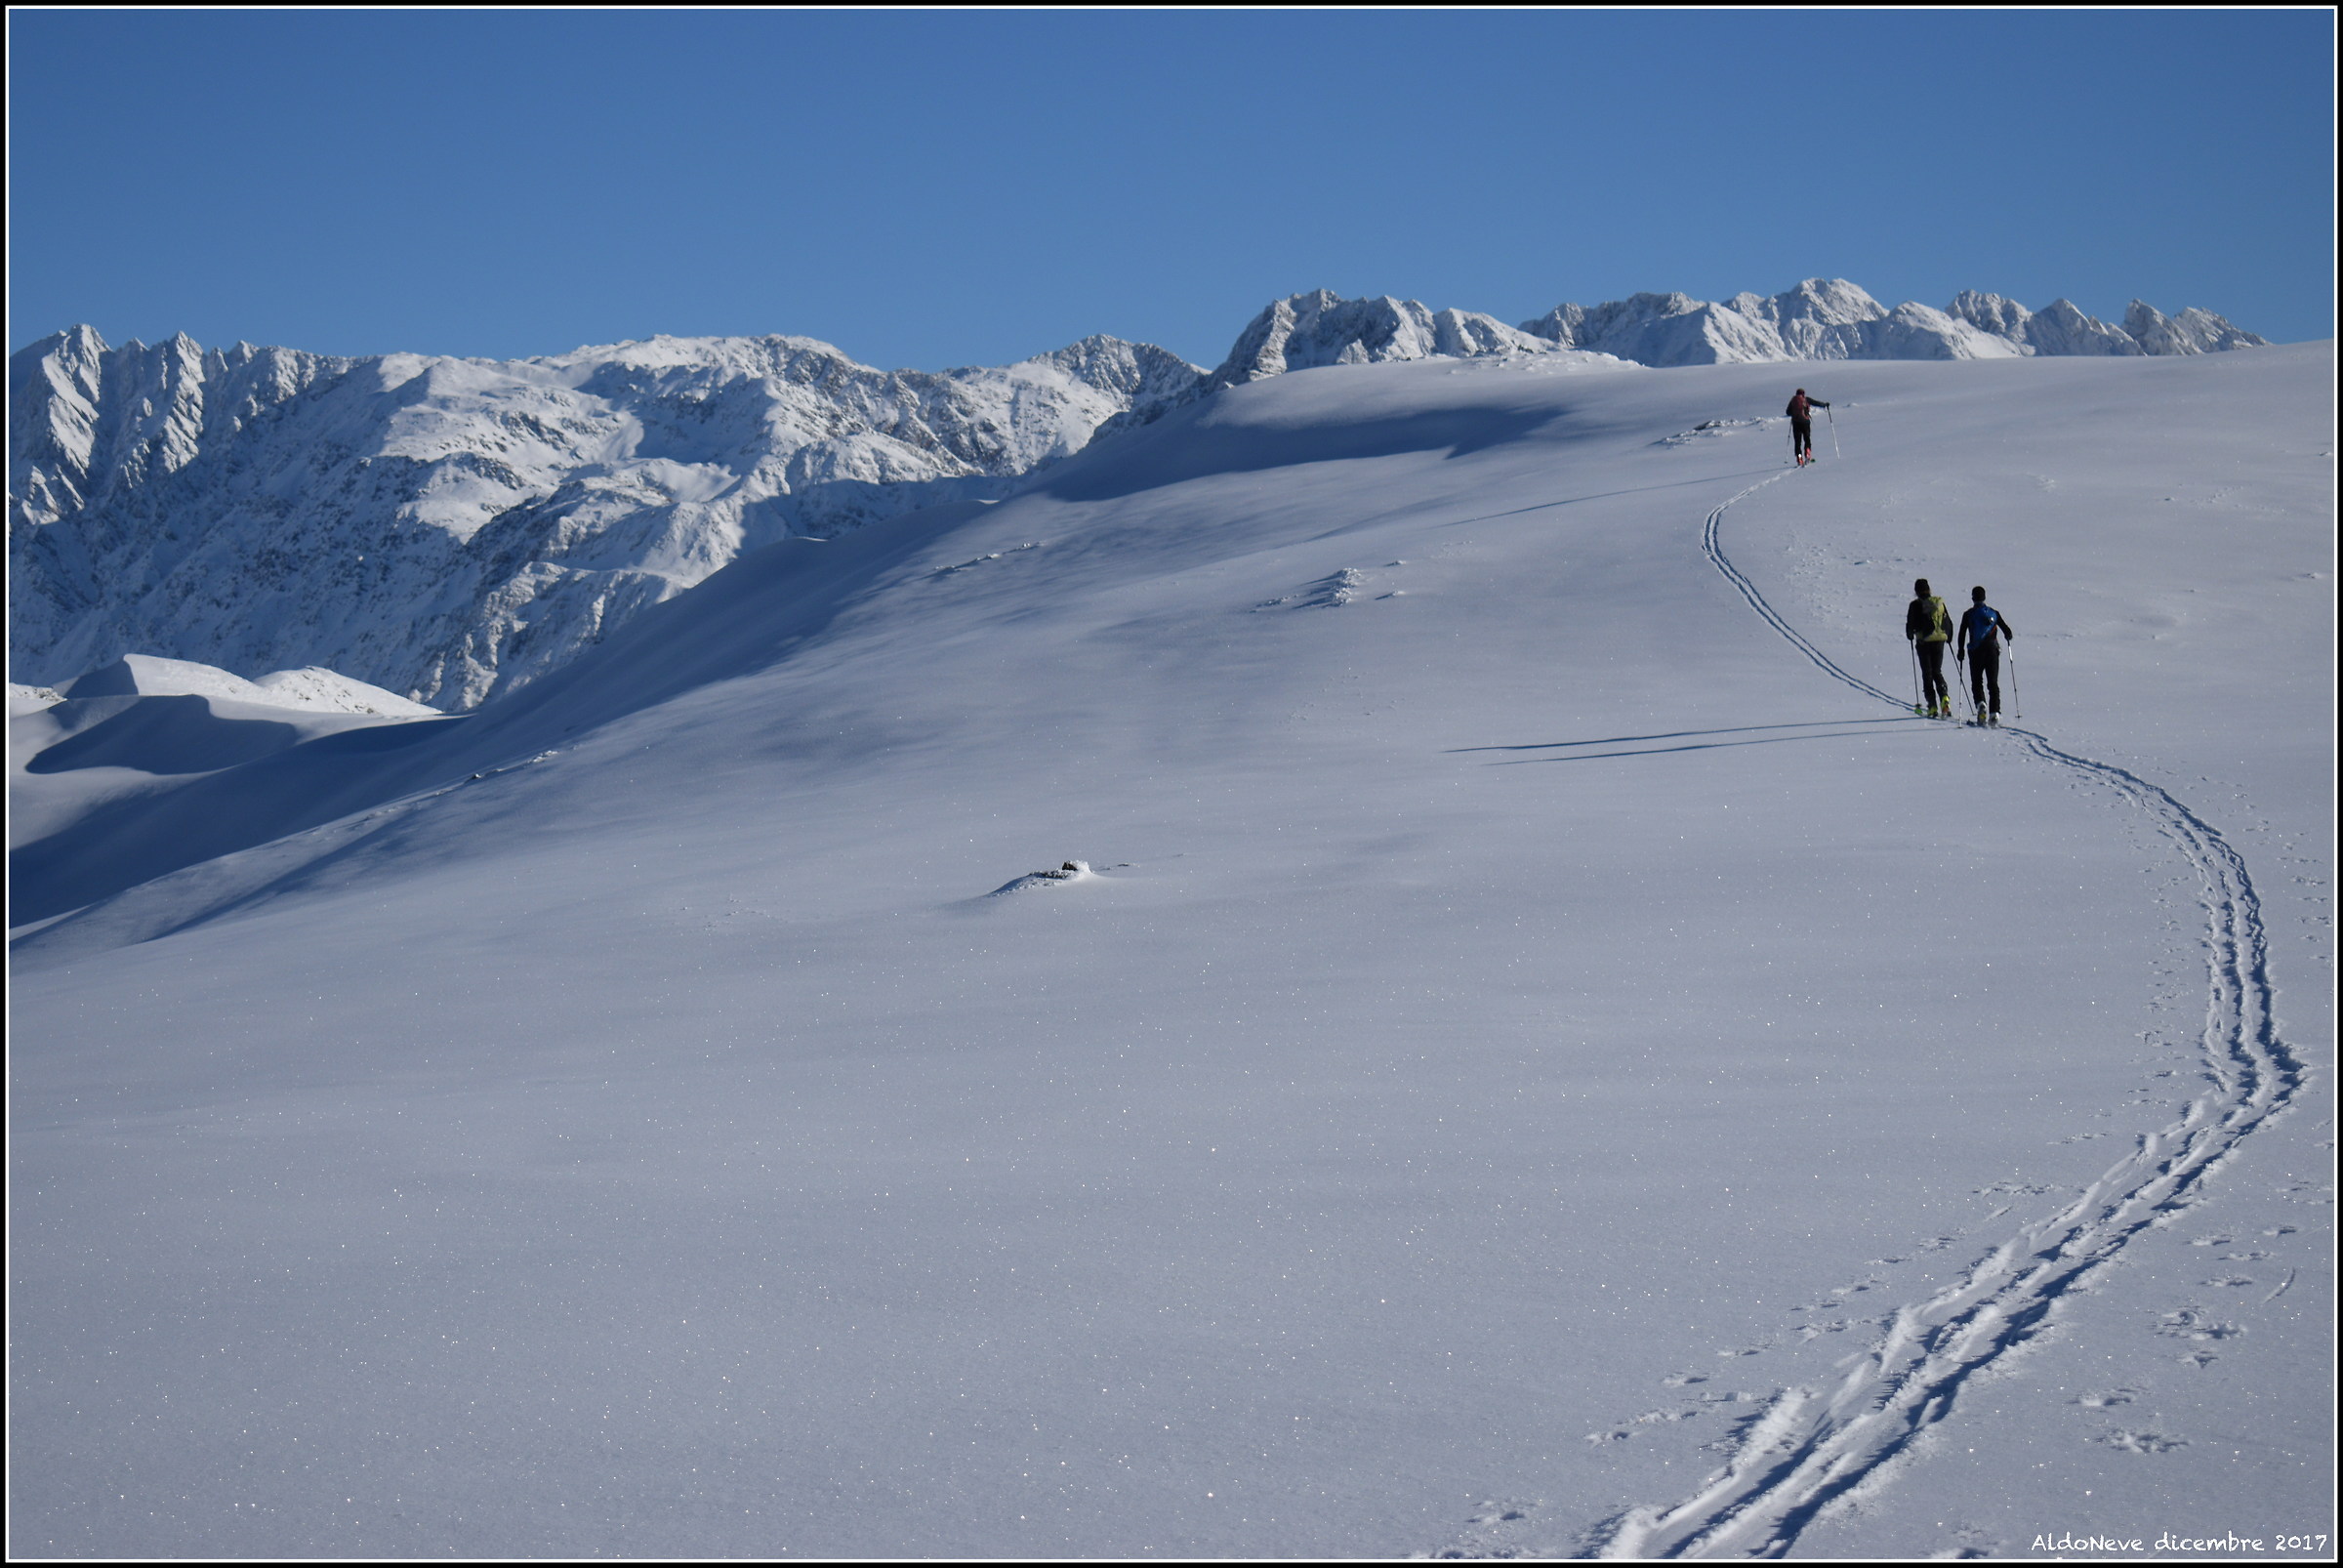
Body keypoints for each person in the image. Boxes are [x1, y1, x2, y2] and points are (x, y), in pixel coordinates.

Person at [1955, 585, 2015, 723]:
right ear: (1984, 597)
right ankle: (1995, 712)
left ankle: (1981, 704)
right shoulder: (1994, 613)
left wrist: (1961, 650)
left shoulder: (1968, 614)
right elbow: (2007, 631)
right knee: (1993, 683)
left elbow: (1962, 633)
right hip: (1992, 651)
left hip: (1975, 652)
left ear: (1973, 598)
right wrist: (2007, 636)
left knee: (1977, 682)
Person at [1906, 577, 1952, 717]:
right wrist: (1949, 637)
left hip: (1923, 642)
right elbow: (1948, 621)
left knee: (1927, 673)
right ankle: (1944, 697)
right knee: (1937, 671)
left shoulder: (1915, 605)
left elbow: (1910, 625)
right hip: (1939, 640)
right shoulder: (1938, 603)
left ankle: (1932, 706)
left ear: (1916, 591)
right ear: (1929, 589)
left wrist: (1910, 635)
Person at [1786, 388, 1830, 467]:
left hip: (1796, 423)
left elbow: (1788, 412)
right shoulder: (1806, 399)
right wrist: (1824, 405)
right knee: (1807, 439)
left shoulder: (1793, 401)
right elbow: (1816, 403)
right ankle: (1807, 454)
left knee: (1797, 442)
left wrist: (1794, 413)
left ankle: (1799, 458)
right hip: (1805, 422)